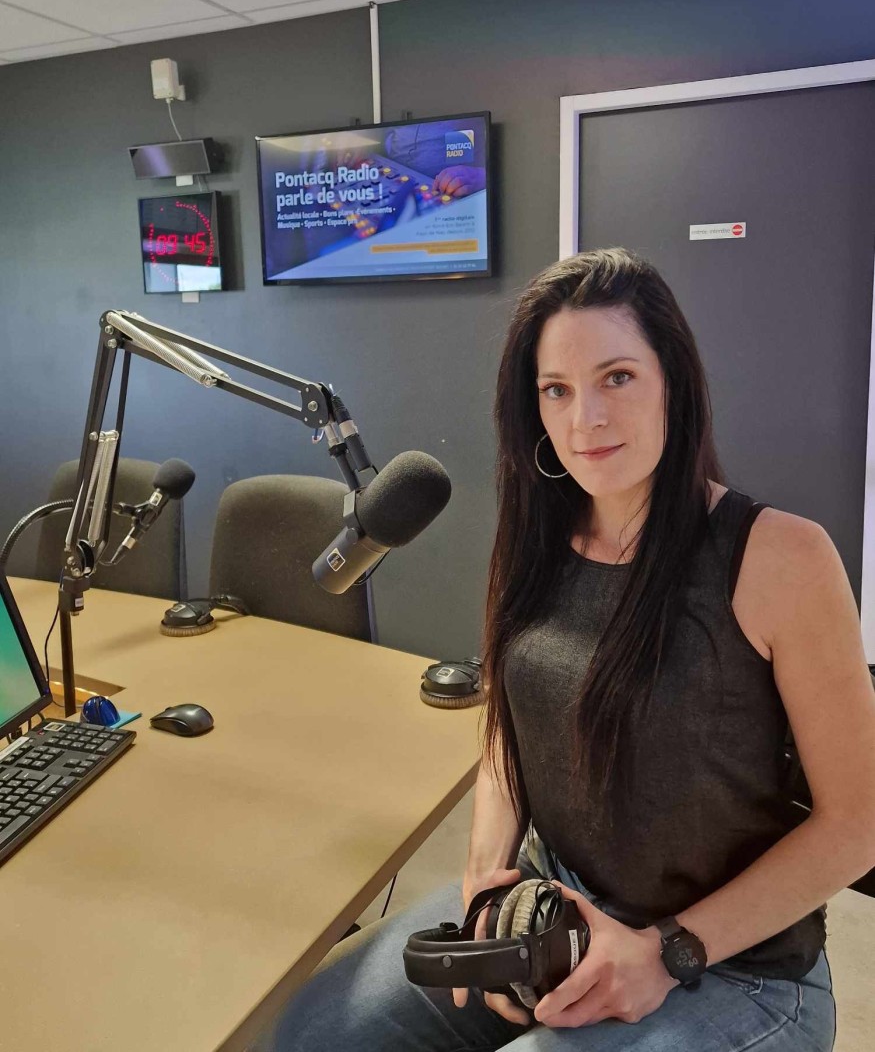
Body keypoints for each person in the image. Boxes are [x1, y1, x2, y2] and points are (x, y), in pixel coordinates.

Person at [257, 248, 875, 1050]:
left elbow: (857, 821)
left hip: (734, 965)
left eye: (616, 377)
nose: (586, 418)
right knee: (314, 1031)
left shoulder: (781, 556)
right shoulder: (533, 542)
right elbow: (507, 738)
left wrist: (666, 951)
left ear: (674, 384)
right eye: (556, 389)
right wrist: (486, 885)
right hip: (555, 911)